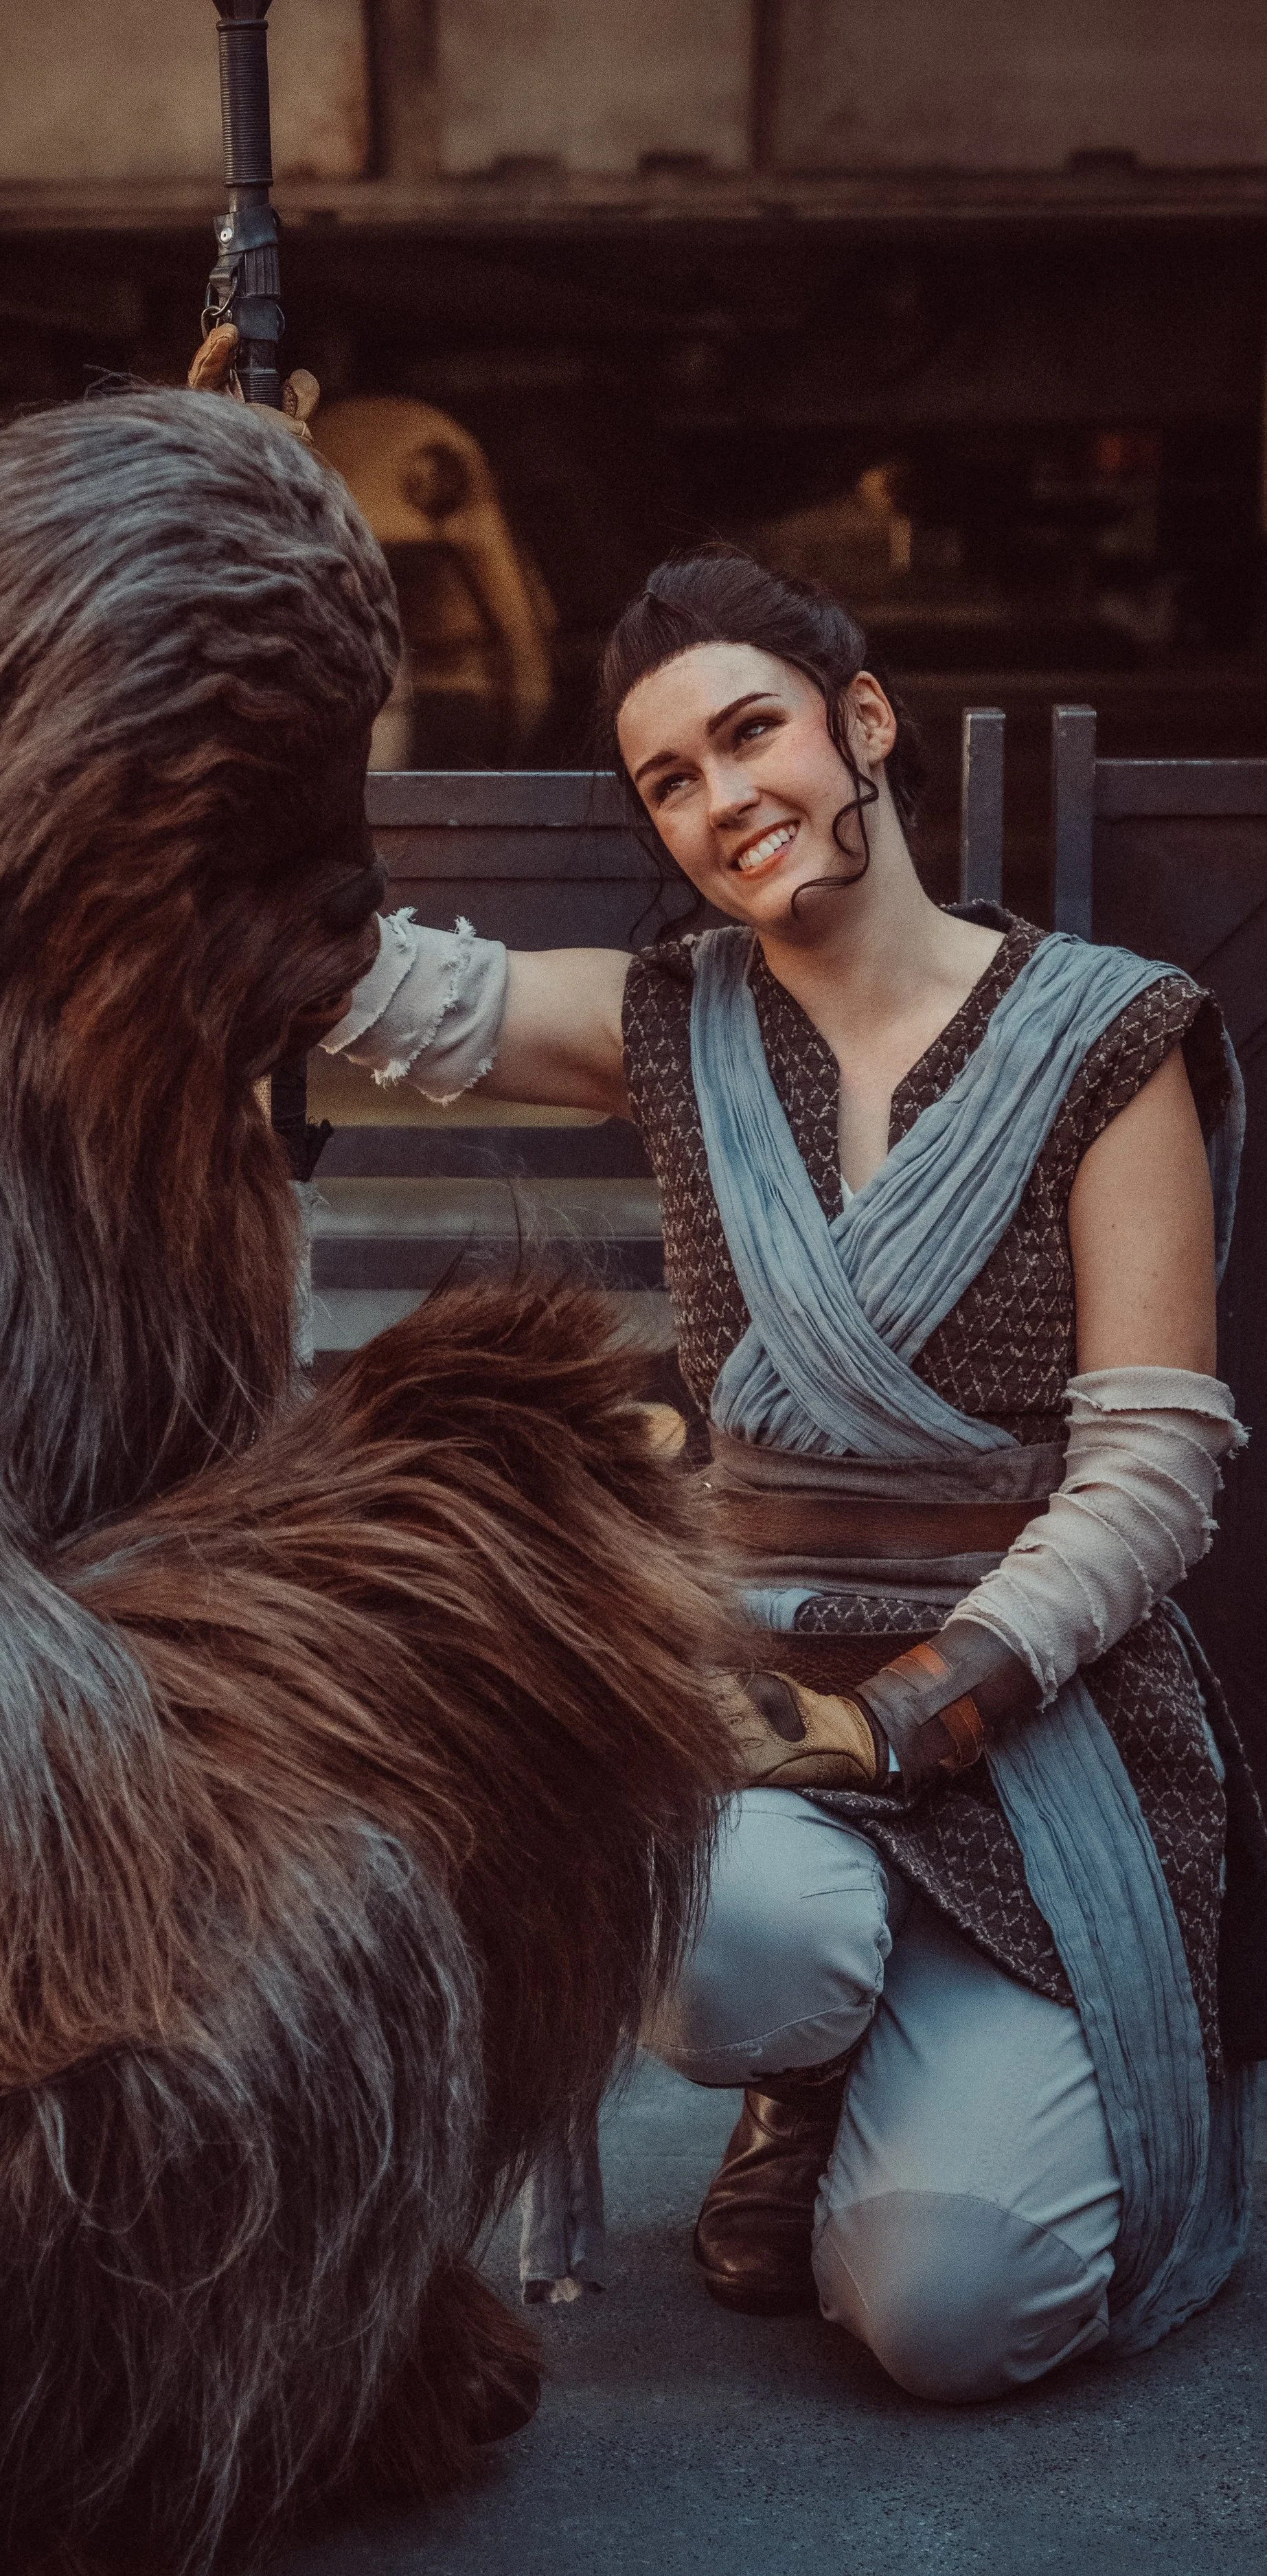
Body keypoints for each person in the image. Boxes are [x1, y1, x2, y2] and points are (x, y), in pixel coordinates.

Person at [0, 396, 740, 2572]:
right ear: (38, 824)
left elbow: (174, 1539)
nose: (342, 889)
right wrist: (395, 1570)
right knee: (343, 1908)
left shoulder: (134, 1116)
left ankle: (330, 2334)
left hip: (42, 1936)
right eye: (247, 839)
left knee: (515, 1584)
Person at [321, 545, 1264, 2403]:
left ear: (862, 723)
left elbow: (1151, 1473)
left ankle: (922, 2071)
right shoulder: (671, 1022)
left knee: (944, 2309)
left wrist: (919, 1710)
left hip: (1044, 1722)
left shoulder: (1107, 1033)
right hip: (761, 1700)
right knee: (723, 1932)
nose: (718, 798)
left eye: (748, 733)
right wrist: (250, 673)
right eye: (666, 777)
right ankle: (811, 2053)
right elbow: (365, 994)